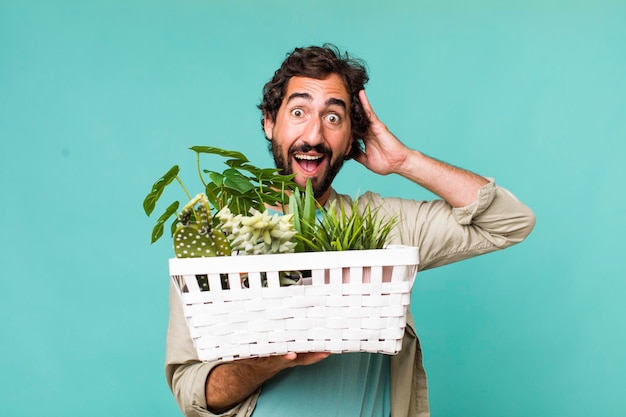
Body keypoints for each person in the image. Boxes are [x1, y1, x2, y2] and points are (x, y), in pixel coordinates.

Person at [165, 44, 535, 417]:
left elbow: (510, 221)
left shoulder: (381, 224)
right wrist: (271, 359)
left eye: (333, 118)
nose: (314, 135)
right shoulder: (217, 239)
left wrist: (405, 161)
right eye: (298, 112)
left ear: (350, 141)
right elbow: (192, 391)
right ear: (269, 123)